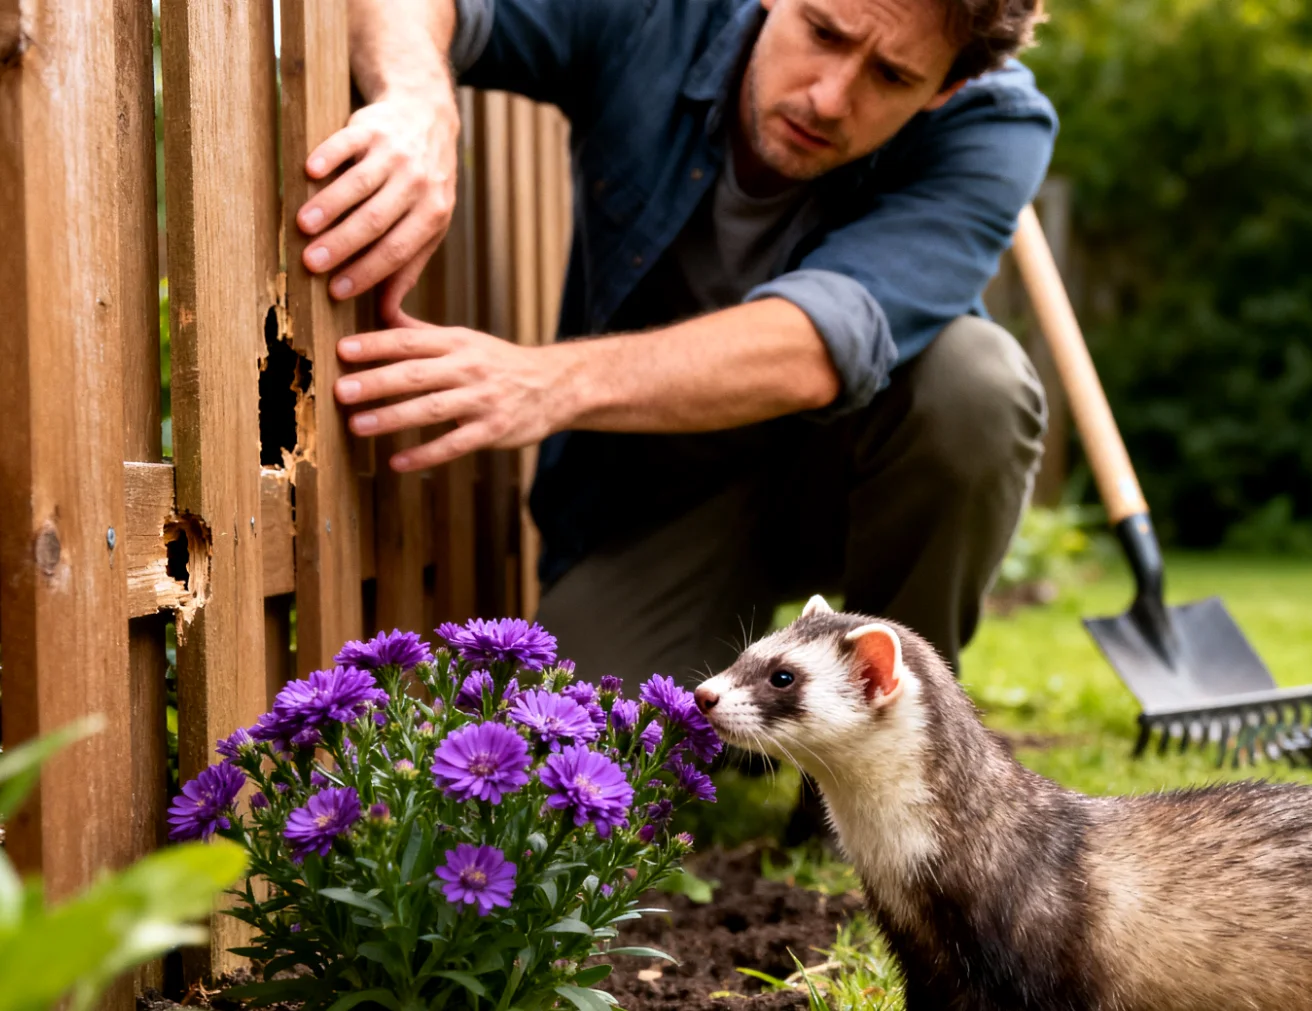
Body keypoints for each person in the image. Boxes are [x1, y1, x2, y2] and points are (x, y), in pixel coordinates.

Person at [304, 0, 1054, 828]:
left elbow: (816, 345)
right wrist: (418, 101)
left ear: (949, 87)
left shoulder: (995, 127)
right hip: (660, 495)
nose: (830, 97)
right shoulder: (654, 17)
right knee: (566, 769)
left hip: (849, 479)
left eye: (891, 76)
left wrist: (542, 382)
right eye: (824, 32)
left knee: (977, 385)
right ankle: (746, 711)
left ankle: (865, 786)